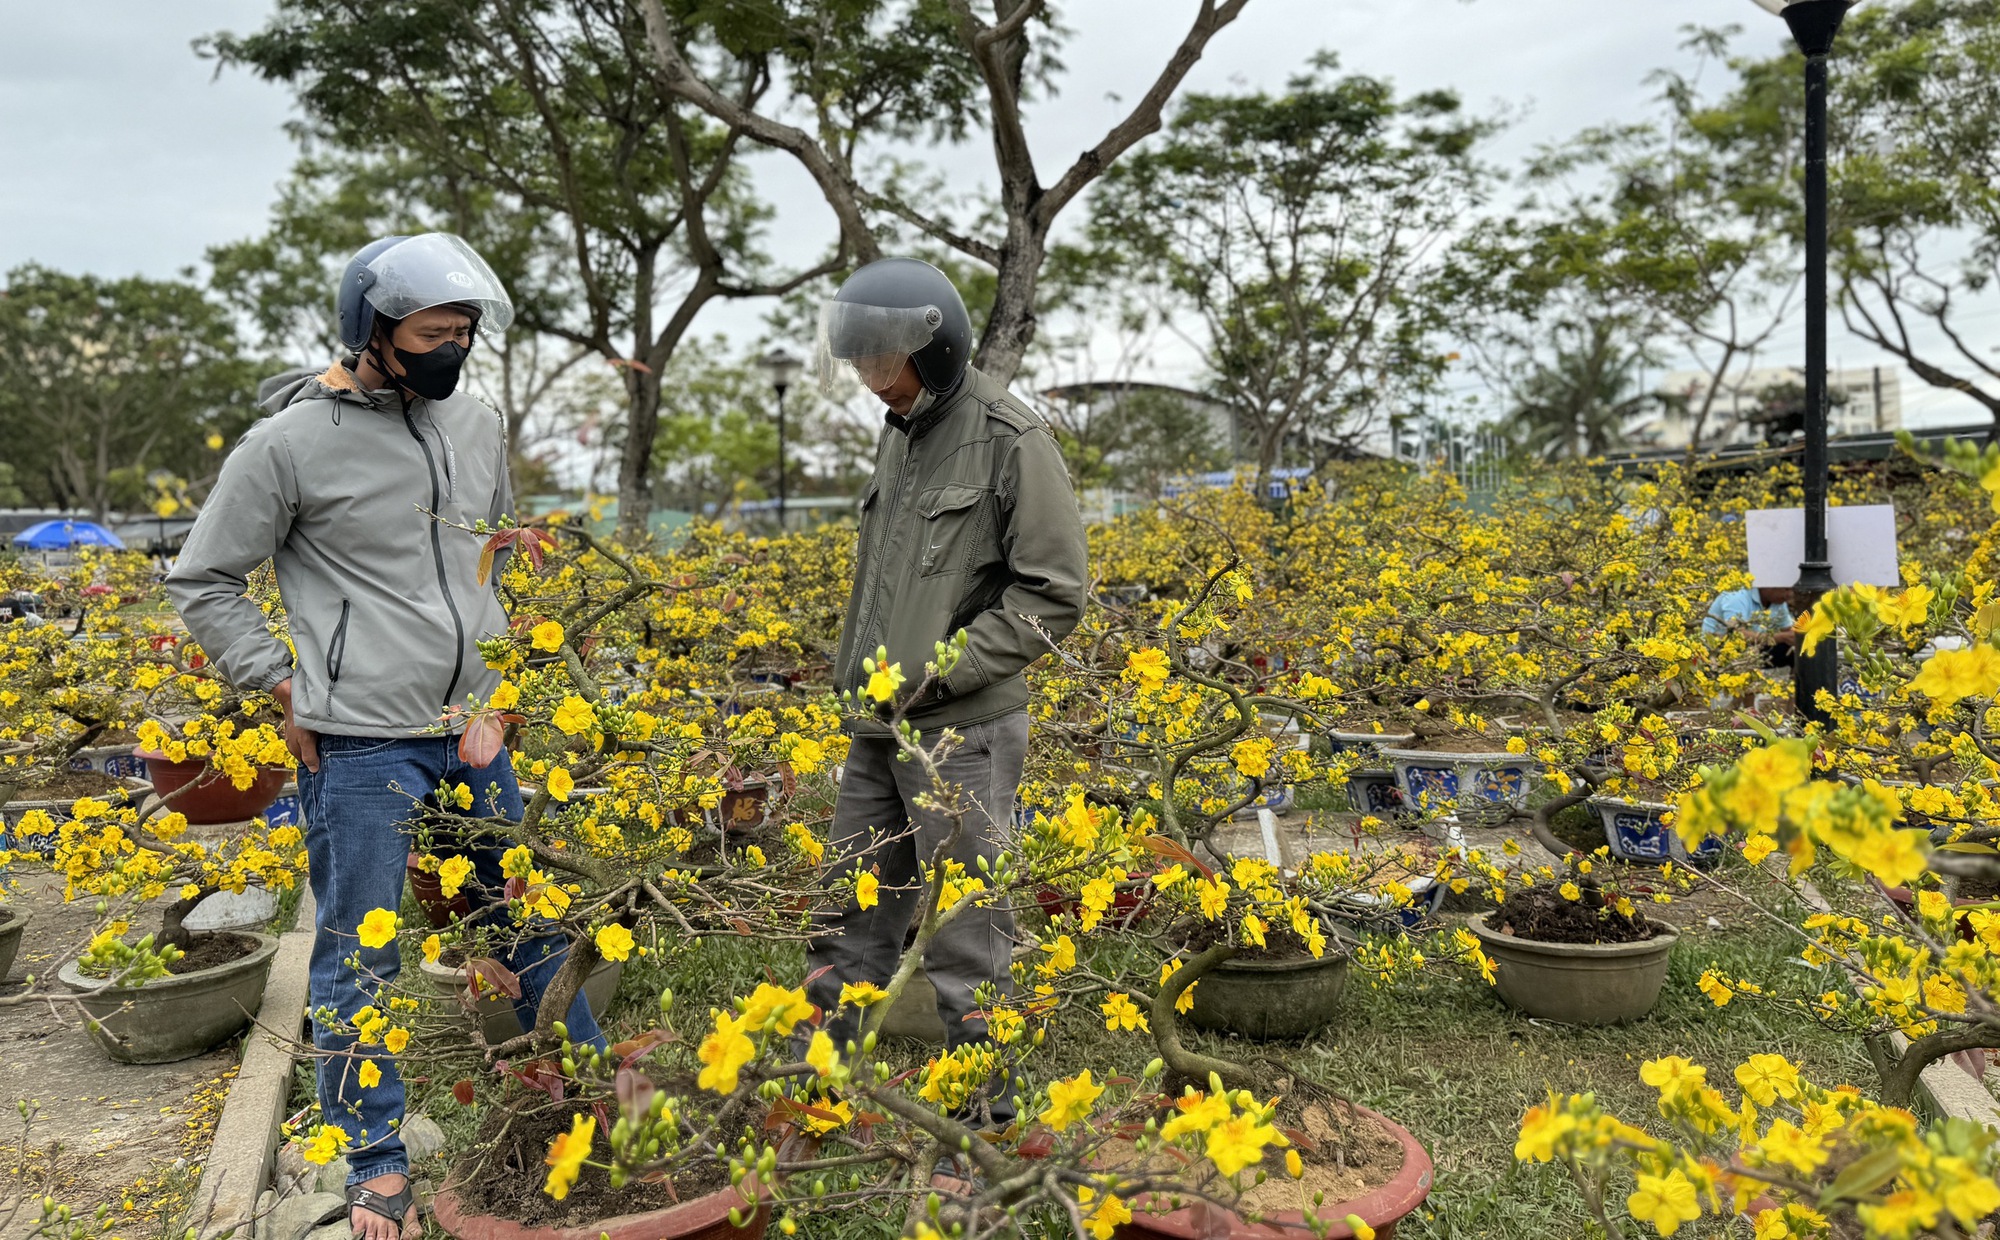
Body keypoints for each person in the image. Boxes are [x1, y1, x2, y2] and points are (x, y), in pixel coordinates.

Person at [165, 234, 604, 1240]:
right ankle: (372, 1157)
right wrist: (279, 681)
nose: (453, 351)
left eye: (464, 334)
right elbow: (203, 577)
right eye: (433, 334)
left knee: (528, 925)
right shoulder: (286, 445)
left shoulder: (475, 419)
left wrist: (499, 686)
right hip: (360, 742)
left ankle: (589, 1107)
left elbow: (475, 555)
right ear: (372, 330)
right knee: (361, 957)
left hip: (472, 730)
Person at [804, 258, 1089, 1151]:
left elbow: (1054, 593)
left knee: (966, 924)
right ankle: (816, 1093)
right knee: (850, 907)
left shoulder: (1012, 436)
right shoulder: (901, 430)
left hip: (960, 729)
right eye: (856, 360)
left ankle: (986, 1120)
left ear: (935, 349)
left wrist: (945, 671)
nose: (866, 377)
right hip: (877, 723)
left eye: (879, 360)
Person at [1703, 583, 1798, 665]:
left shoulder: (1778, 601)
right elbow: (1738, 634)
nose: (1790, 595)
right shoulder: (1737, 597)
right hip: (1718, 650)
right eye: (1786, 589)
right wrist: (1781, 637)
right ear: (1766, 586)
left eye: (1792, 589)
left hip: (1751, 647)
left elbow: (1788, 629)